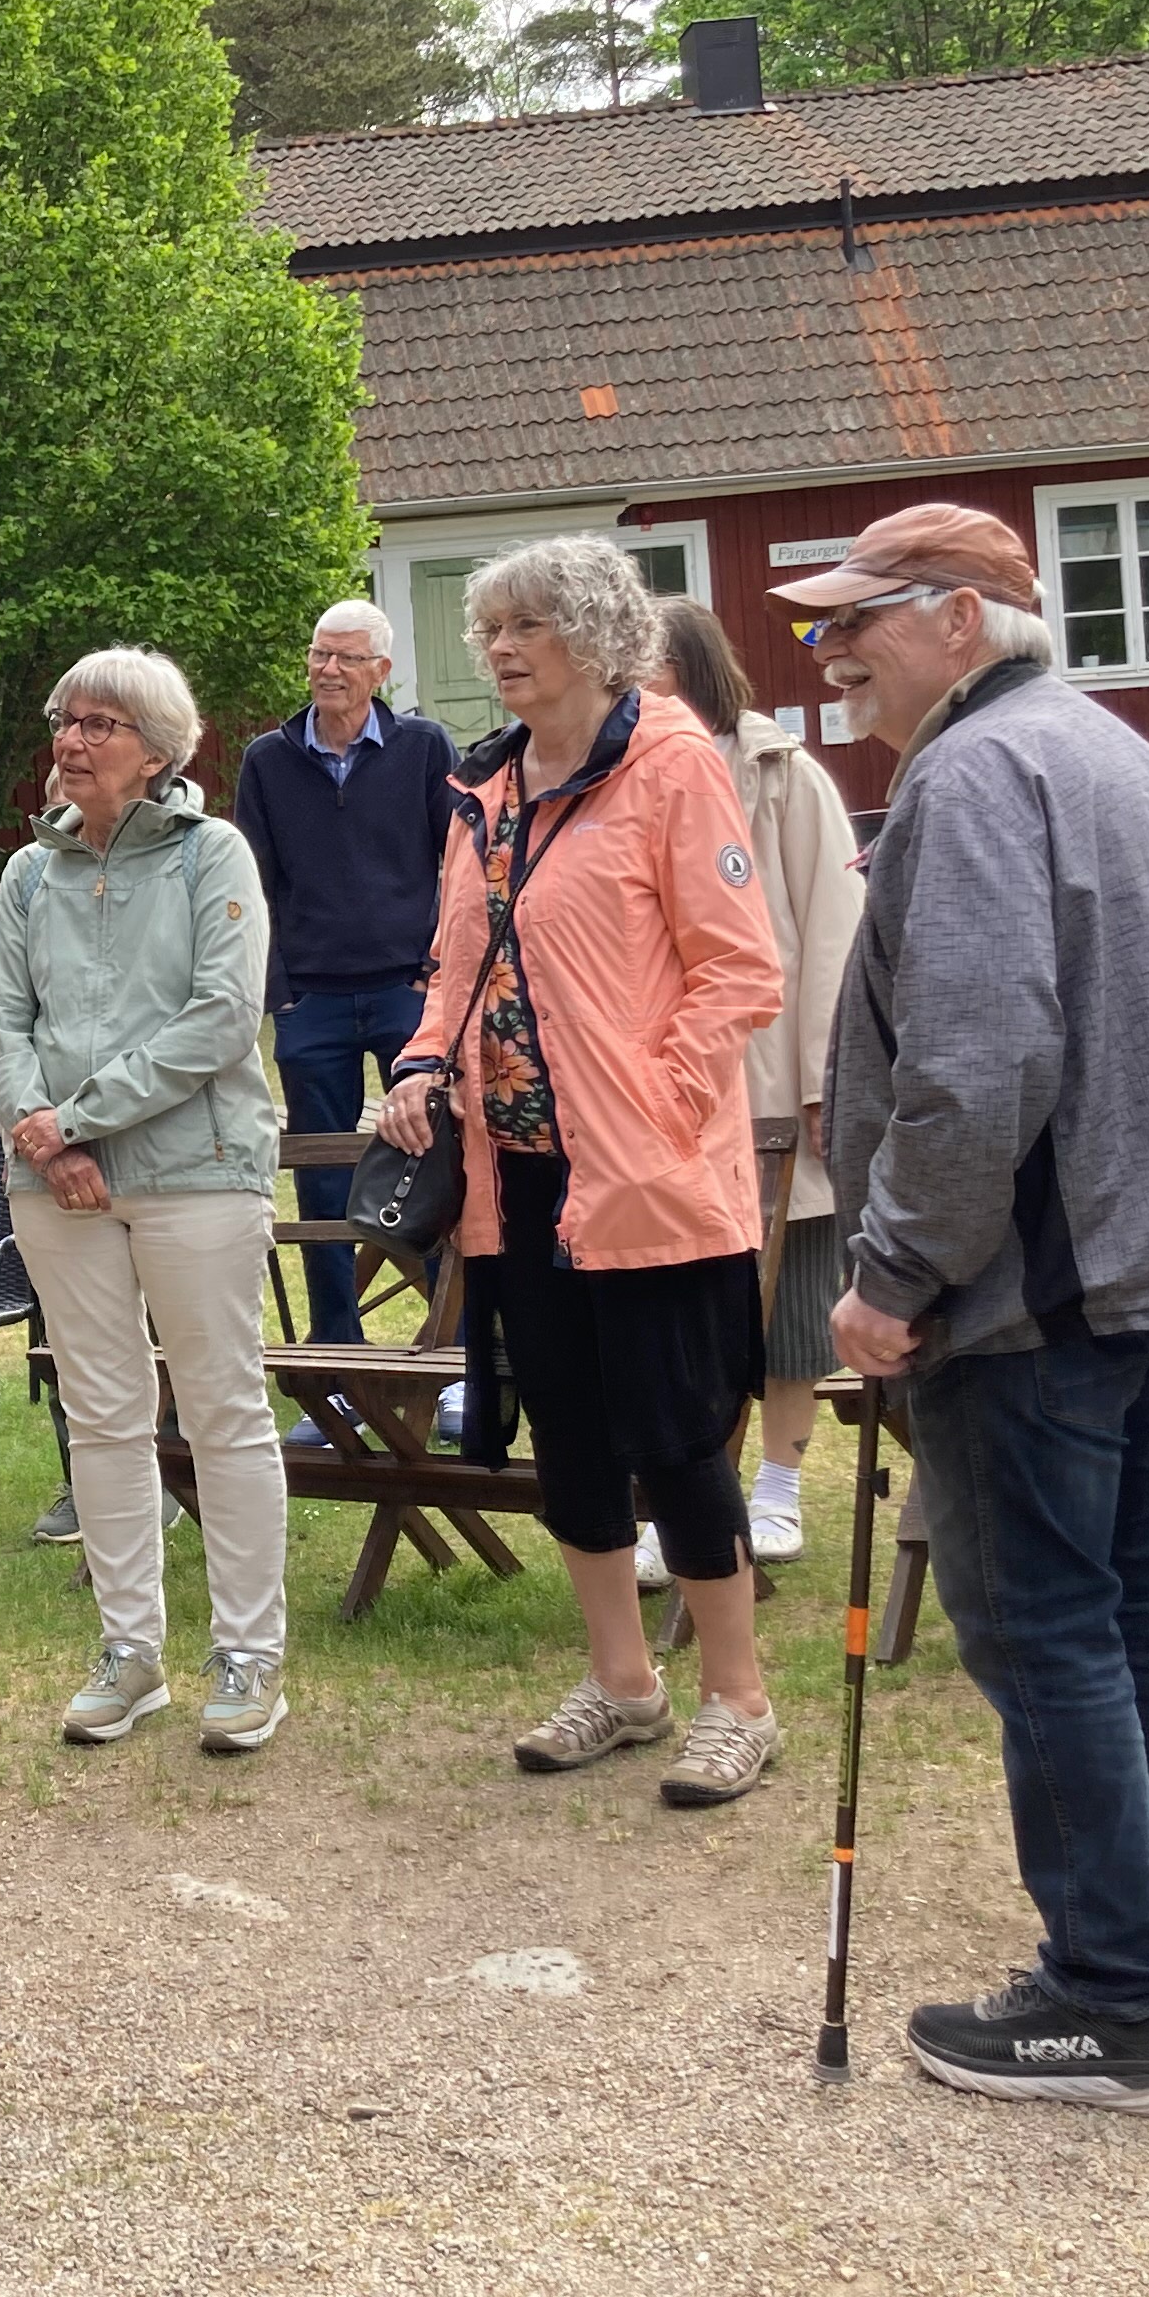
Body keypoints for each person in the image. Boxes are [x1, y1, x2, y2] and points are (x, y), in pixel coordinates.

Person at [791, 502, 1149, 2117]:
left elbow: (979, 1057)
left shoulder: (979, 770)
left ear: (960, 618)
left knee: (1044, 1618)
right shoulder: (1117, 754)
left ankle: (1115, 1996)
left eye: (856, 620)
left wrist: (890, 1272)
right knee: (1138, 1599)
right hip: (1144, 1261)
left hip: (1036, 1282)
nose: (829, 652)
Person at [381, 543, 784, 1804]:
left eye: (530, 626)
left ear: (600, 638)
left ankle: (738, 1699)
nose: (502, 649)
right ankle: (623, 1682)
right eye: (492, 628)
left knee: (676, 1436)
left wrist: (659, 1105)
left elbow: (740, 973)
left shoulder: (671, 766)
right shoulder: (486, 787)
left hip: (648, 1176)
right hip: (517, 1177)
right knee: (567, 1431)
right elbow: (457, 962)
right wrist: (423, 1058)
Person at [0, 649, 295, 1751]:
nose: (70, 740)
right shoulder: (29, 875)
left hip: (195, 1173)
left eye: (98, 724)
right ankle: (130, 1654)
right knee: (103, 1415)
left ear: (157, 751)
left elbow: (221, 1020)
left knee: (221, 1413)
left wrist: (76, 1121)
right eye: (64, 719)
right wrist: (44, 1134)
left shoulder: (215, 856)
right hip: (55, 1184)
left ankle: (248, 1658)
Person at [645, 593, 857, 1573]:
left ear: (687, 667)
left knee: (793, 1297)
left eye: (641, 664)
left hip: (771, 1076)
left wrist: (822, 1078)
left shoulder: (782, 775)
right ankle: (689, 1498)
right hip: (663, 1089)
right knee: (683, 1305)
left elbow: (832, 931)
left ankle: (779, 1488)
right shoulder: (621, 772)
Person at [230, 596, 455, 1376]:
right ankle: (336, 1353)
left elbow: (460, 865)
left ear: (380, 670)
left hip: (407, 996)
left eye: (346, 657)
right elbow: (251, 885)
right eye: (319, 654)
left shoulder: (424, 748)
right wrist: (281, 995)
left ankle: (452, 1353)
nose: (327, 669)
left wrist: (435, 971)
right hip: (313, 1003)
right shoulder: (268, 760)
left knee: (433, 1166)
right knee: (322, 1183)